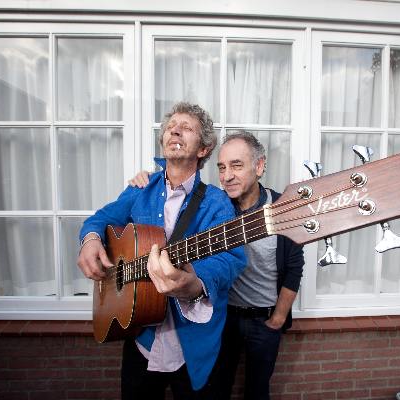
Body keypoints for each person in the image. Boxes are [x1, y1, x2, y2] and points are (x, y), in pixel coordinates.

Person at [77, 102, 246, 400]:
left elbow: (232, 259)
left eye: (187, 127)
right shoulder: (140, 189)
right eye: (170, 127)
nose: (174, 130)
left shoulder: (217, 203)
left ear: (203, 149)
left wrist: (195, 283)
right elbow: (101, 219)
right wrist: (90, 239)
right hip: (141, 336)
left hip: (193, 345)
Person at [129, 131, 304, 399]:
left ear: (259, 166)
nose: (227, 176)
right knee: (218, 388)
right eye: (222, 168)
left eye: (237, 165)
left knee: (258, 390)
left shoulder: (281, 208)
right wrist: (148, 181)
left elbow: (294, 267)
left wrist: (278, 318)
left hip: (264, 318)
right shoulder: (213, 208)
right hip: (224, 316)